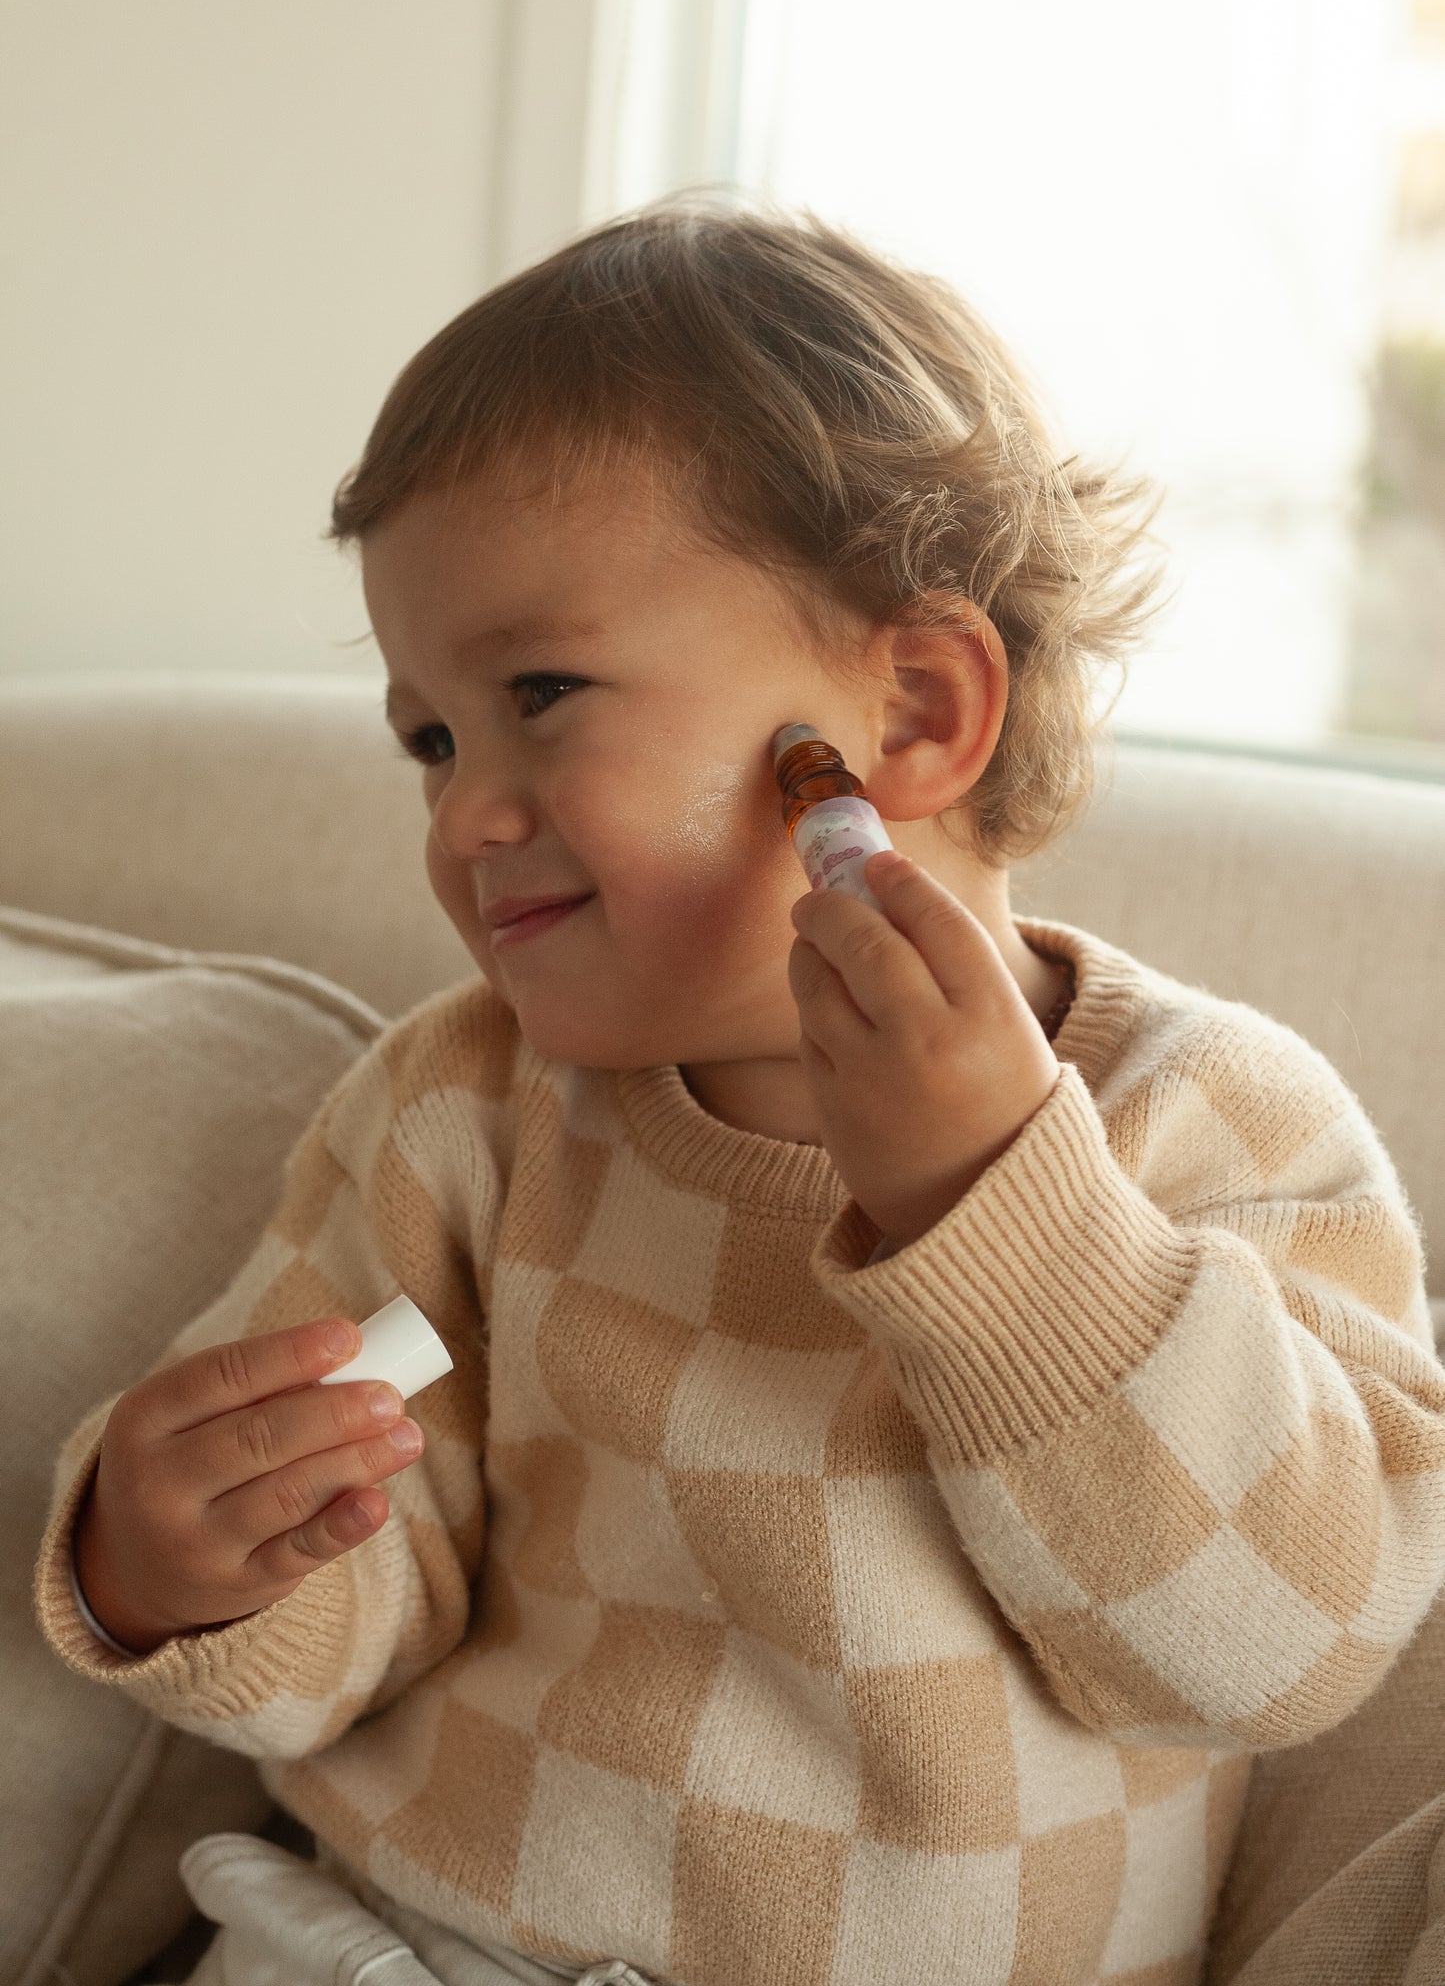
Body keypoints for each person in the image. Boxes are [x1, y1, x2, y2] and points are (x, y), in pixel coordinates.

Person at [33, 197, 1445, 1986]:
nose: (462, 809)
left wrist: (997, 1210)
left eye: (541, 692)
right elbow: (358, 1612)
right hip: (411, 1944)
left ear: (911, 719)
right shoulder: (463, 1108)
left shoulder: (1213, 1123)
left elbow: (1273, 1645)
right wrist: (191, 1567)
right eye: (429, 735)